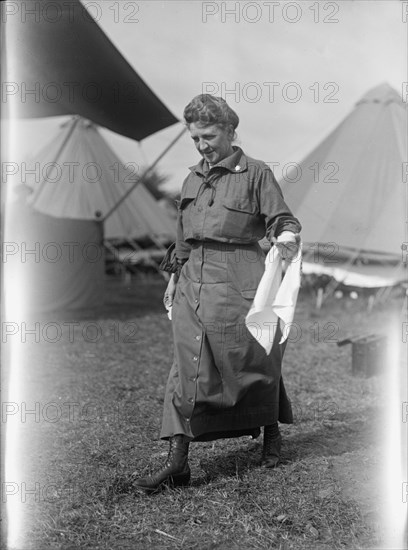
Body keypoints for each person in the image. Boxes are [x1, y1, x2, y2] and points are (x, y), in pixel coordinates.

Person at [134, 94, 301, 493]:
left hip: (239, 280)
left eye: (208, 136)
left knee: (252, 359)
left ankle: (271, 433)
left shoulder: (256, 173)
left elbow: (282, 218)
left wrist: (287, 236)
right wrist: (175, 276)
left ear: (230, 131)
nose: (202, 145)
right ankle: (178, 462)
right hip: (194, 279)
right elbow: (183, 237)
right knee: (186, 365)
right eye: (195, 139)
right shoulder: (192, 179)